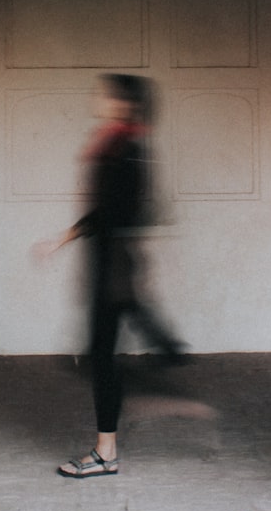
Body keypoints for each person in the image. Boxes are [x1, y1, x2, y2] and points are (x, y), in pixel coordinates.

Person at [40, 73, 185, 479]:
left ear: (124, 103)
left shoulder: (126, 149)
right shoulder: (117, 144)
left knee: (100, 358)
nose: (98, 98)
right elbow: (110, 211)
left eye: (106, 94)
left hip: (113, 268)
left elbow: (117, 212)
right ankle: (163, 370)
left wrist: (65, 239)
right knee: (101, 355)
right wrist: (63, 240)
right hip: (110, 264)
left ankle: (107, 453)